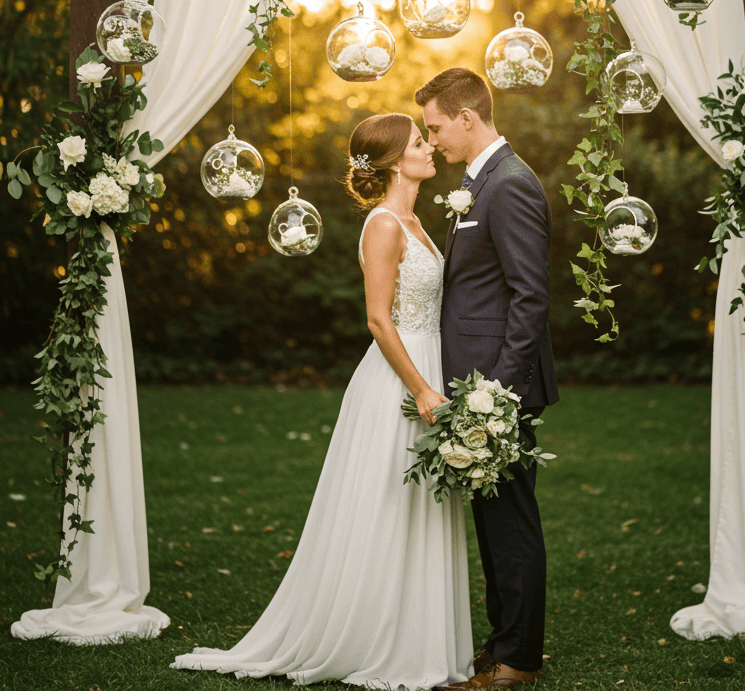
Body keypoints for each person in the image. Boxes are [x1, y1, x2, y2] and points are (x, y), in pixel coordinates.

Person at [171, 112, 473, 689]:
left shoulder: (416, 218)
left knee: (422, 509)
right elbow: (379, 320)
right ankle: (377, 637)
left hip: (429, 365)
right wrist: (423, 389)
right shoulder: (384, 224)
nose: (430, 146)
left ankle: (418, 633)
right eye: (418, 141)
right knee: (389, 505)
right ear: (391, 162)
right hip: (402, 379)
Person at [416, 69, 558, 691]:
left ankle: (518, 661)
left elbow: (531, 298)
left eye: (435, 127)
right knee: (492, 522)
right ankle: (502, 645)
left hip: (498, 389)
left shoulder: (510, 186)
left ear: (467, 118)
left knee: (511, 523)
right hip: (478, 387)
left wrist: (496, 394)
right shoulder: (479, 182)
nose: (432, 139)